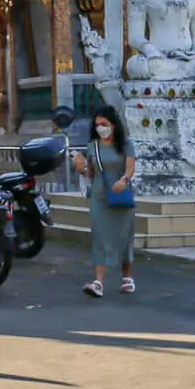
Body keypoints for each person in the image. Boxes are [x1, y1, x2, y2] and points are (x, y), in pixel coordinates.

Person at [71, 105, 136, 298]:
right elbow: (91, 173)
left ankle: (127, 278)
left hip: (121, 194)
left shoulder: (126, 144)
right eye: (98, 124)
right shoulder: (93, 146)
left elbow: (130, 168)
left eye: (104, 124)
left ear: (114, 125)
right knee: (99, 237)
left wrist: (124, 180)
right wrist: (80, 168)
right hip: (99, 196)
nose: (101, 128)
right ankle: (98, 282)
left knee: (123, 238)